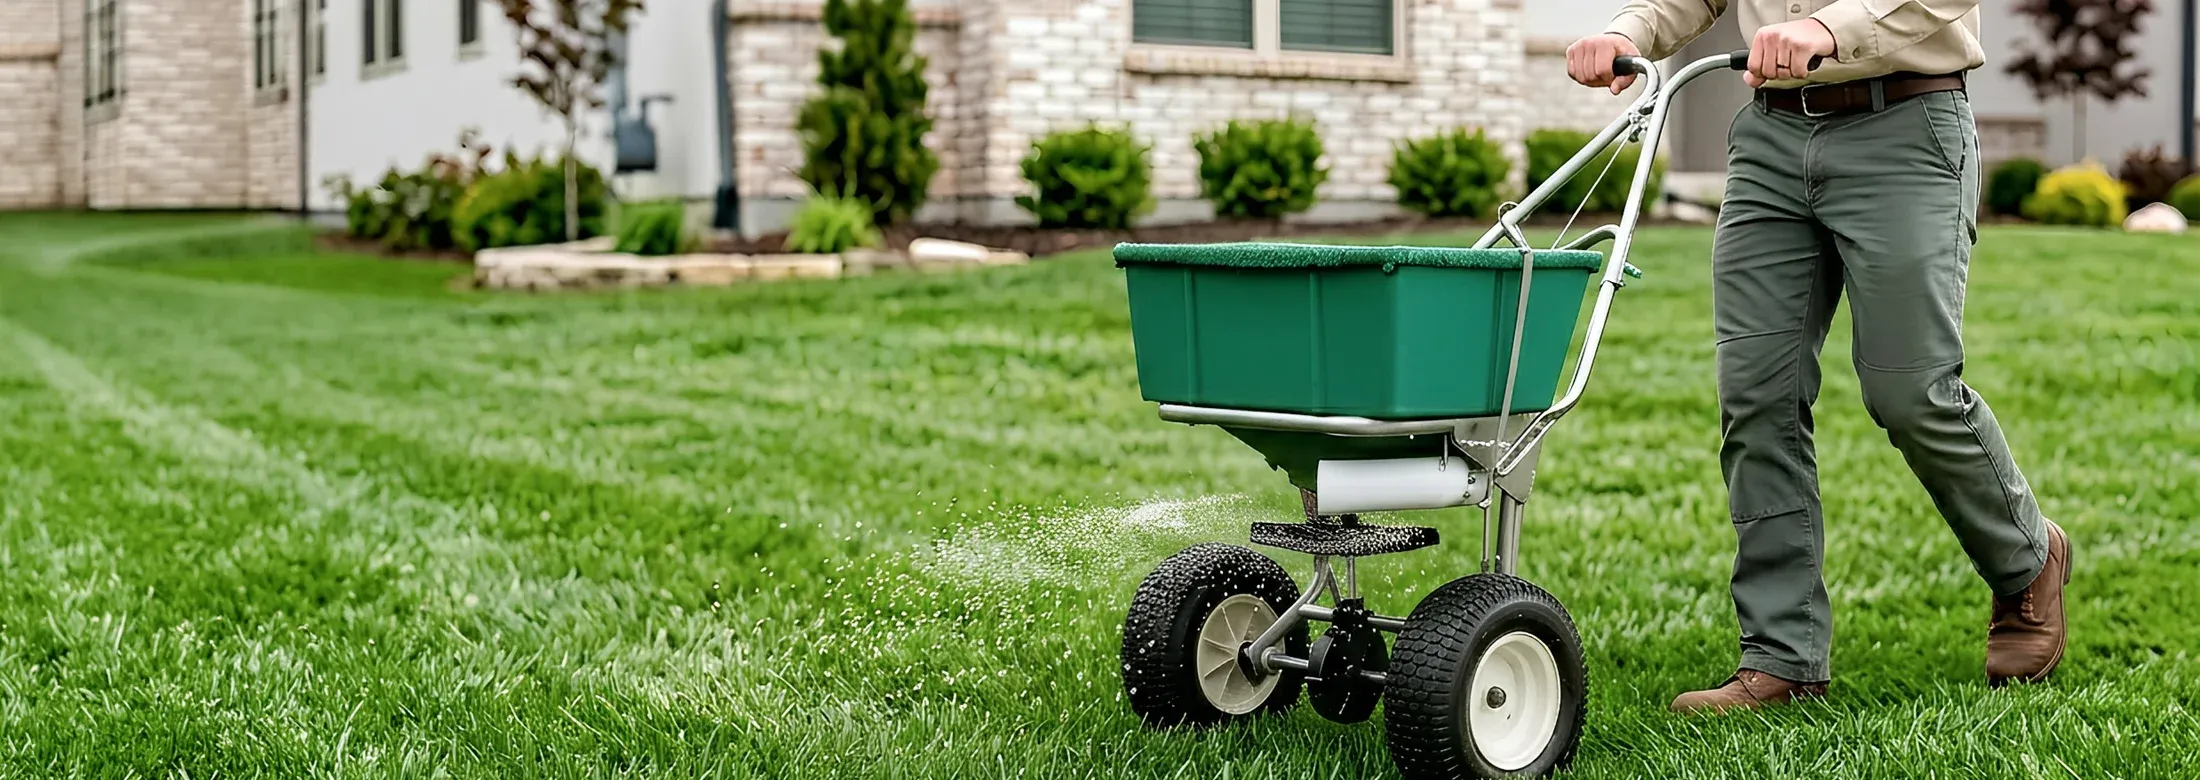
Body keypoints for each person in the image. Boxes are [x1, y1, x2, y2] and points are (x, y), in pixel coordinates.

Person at [1564, 1, 2071, 713]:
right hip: (1769, 138)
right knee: (1757, 393)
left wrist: (1830, 30)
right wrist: (1630, 30)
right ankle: (1782, 656)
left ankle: (2027, 559)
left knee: (1909, 390)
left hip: (1904, 126)